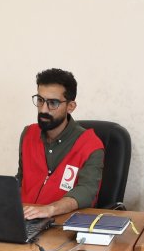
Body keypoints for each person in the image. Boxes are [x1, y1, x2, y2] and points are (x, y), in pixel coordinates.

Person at [17, 68, 105, 219]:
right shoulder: (28, 134)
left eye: (53, 103)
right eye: (40, 100)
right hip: (24, 220)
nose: (43, 109)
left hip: (62, 225)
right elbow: (21, 180)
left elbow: (87, 191)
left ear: (70, 106)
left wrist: (50, 209)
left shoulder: (91, 145)